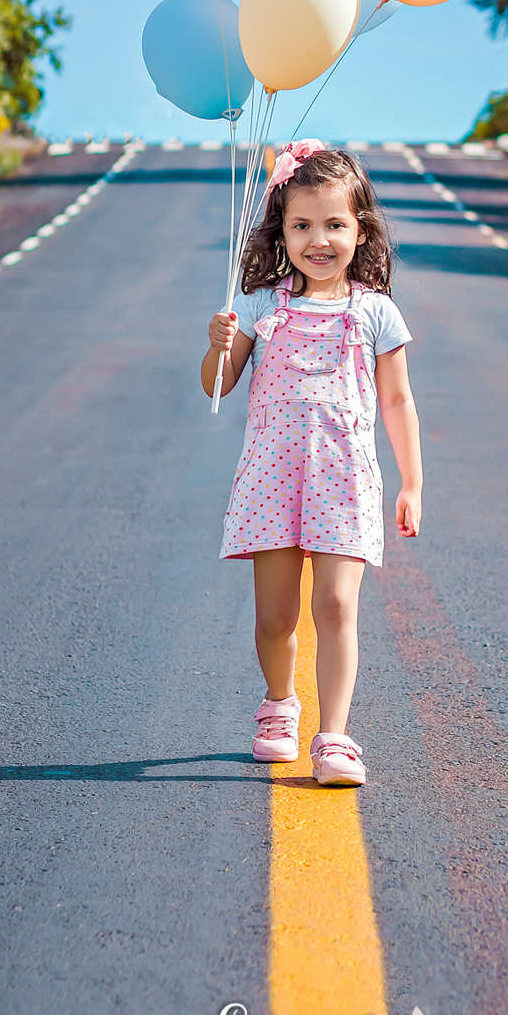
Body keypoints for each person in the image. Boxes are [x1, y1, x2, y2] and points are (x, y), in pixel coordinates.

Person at [201, 141, 423, 788]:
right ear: (281, 229)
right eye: (302, 225)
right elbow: (217, 384)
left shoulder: (376, 311)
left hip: (344, 482)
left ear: (361, 230)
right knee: (275, 616)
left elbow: (399, 400)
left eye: (334, 225)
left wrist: (412, 481)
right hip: (272, 479)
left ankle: (335, 736)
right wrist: (216, 346)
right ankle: (279, 703)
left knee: (335, 606)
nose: (318, 240)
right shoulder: (263, 306)